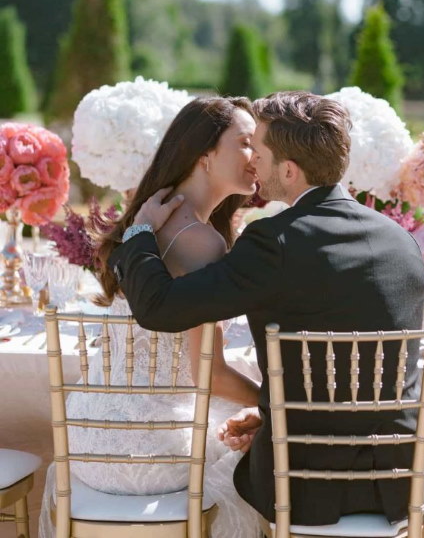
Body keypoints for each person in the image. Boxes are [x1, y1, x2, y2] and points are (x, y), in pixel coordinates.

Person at [109, 90, 424, 529]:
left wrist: (138, 236)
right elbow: (354, 365)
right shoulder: (402, 242)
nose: (254, 163)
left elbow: (159, 310)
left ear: (288, 169)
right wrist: (271, 410)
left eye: (260, 152)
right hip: (403, 478)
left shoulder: (274, 242)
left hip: (304, 485)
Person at [39, 96, 262, 538]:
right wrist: (272, 403)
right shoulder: (201, 241)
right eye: (245, 143)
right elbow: (210, 376)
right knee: (256, 449)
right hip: (145, 451)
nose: (257, 156)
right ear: (204, 155)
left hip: (87, 443)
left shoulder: (150, 220)